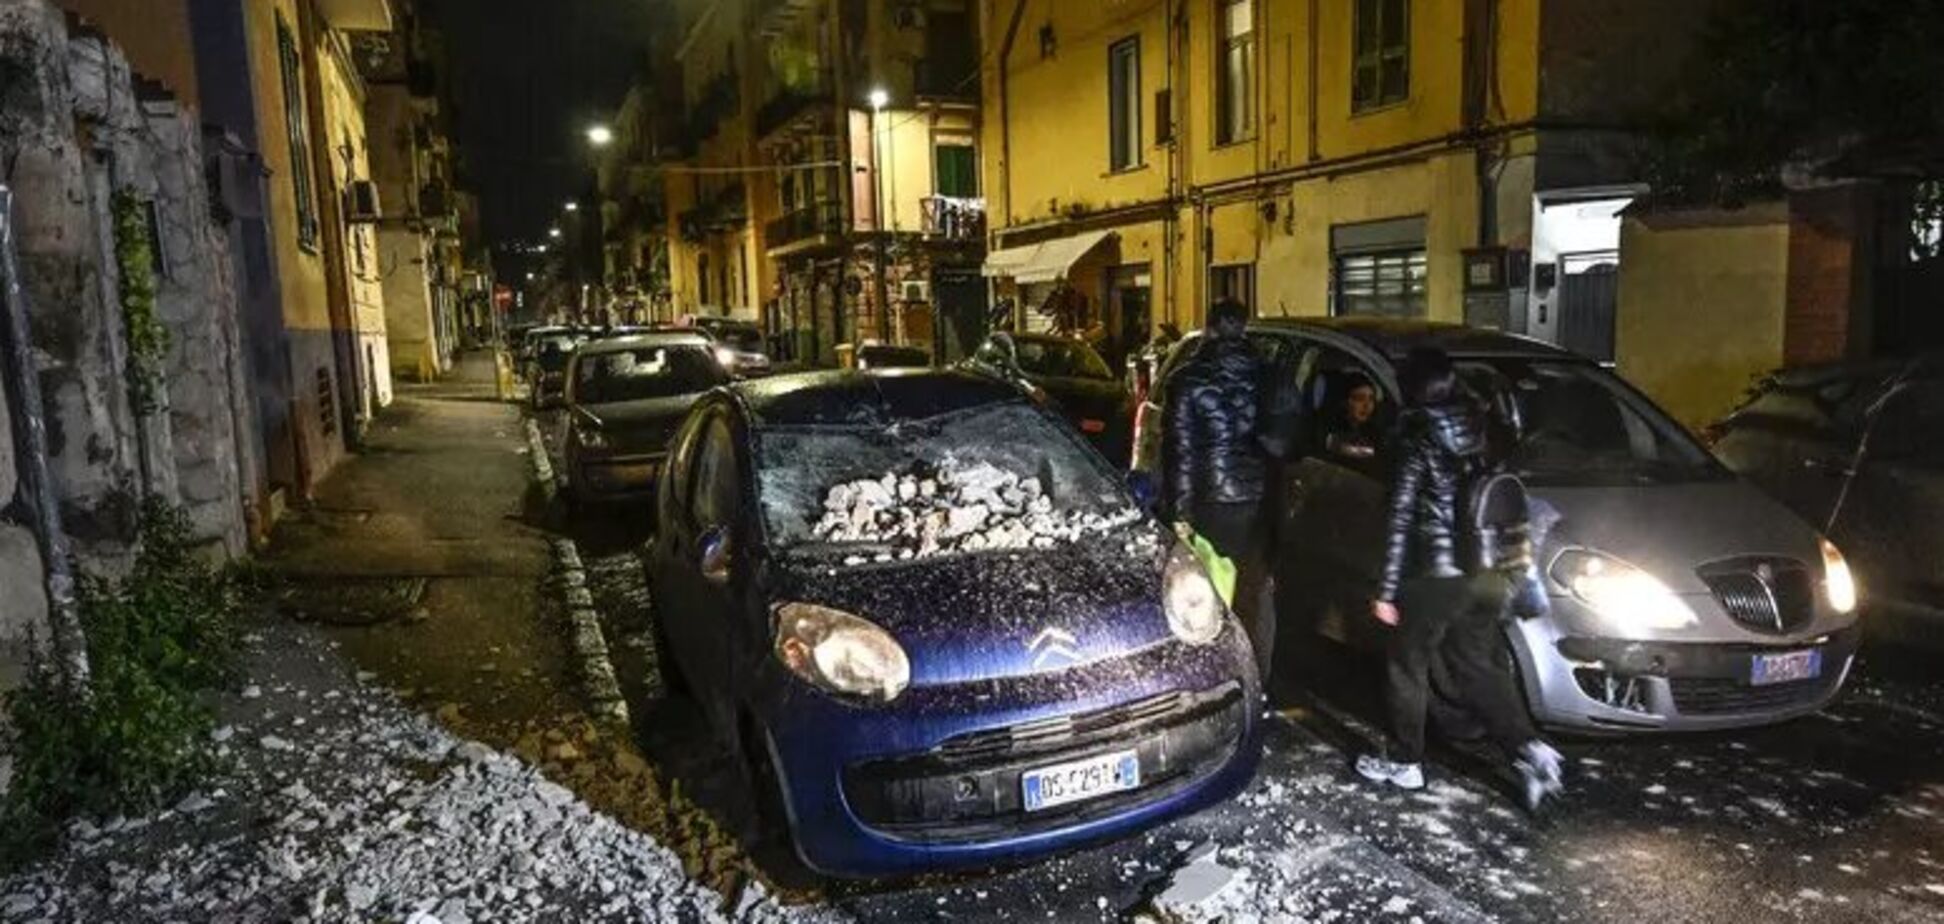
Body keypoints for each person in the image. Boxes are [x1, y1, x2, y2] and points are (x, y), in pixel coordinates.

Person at [1356, 346, 1564, 810]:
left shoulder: (1417, 439)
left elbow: (1401, 517)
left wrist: (1386, 591)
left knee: (1406, 663)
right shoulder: (1482, 426)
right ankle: (1531, 750)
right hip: (1489, 568)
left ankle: (1406, 761)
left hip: (1437, 573)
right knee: (1478, 668)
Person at [1160, 298, 1275, 682]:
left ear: (1209, 329)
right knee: (1256, 593)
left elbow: (1180, 451)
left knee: (1208, 592)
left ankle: (1217, 675)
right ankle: (1258, 679)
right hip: (1259, 497)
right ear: (1244, 328)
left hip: (1211, 501)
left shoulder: (1188, 380)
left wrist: (1179, 513)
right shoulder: (1267, 374)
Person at [1323, 373, 1383, 463]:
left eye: (1371, 399)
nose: (1367, 406)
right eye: (1359, 398)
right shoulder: (1328, 426)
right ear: (1345, 401)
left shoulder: (1374, 433)